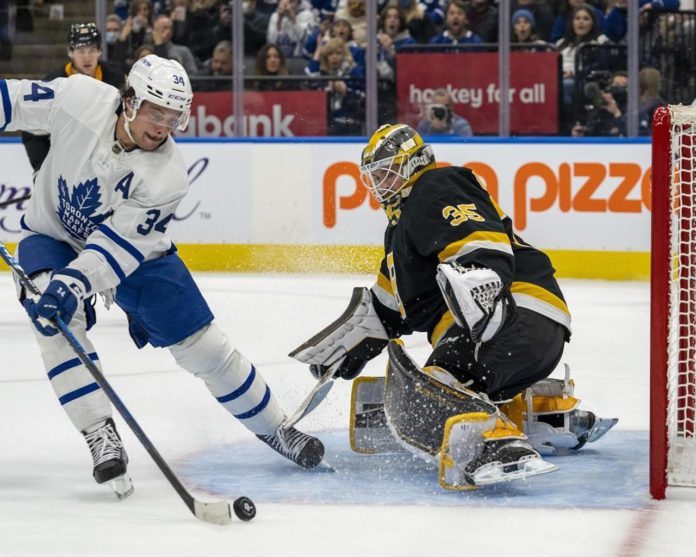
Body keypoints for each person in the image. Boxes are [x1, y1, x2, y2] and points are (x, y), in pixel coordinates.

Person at [0, 55, 325, 499]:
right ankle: (100, 433)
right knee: (53, 321)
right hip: (52, 233)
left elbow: (114, 251)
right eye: (156, 111)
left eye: (174, 116)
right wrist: (60, 285)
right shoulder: (80, 96)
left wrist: (74, 283)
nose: (163, 125)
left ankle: (277, 429)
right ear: (129, 100)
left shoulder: (168, 175)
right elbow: (11, 99)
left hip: (134, 257)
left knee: (203, 348)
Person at [291, 124, 615, 488]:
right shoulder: (401, 231)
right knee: (455, 379)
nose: (380, 182)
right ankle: (543, 415)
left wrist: (486, 306)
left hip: (514, 317)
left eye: (387, 170)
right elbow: (386, 310)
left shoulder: (434, 187)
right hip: (526, 333)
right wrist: (351, 347)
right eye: (374, 175)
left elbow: (482, 250)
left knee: (434, 386)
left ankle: (495, 443)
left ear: (414, 162)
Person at [21, 22, 127, 175]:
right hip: (66, 161)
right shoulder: (52, 84)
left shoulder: (116, 77)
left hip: (108, 163)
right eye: (80, 51)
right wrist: (42, 168)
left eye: (92, 50)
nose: (87, 57)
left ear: (100, 51)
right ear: (70, 52)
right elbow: (30, 130)